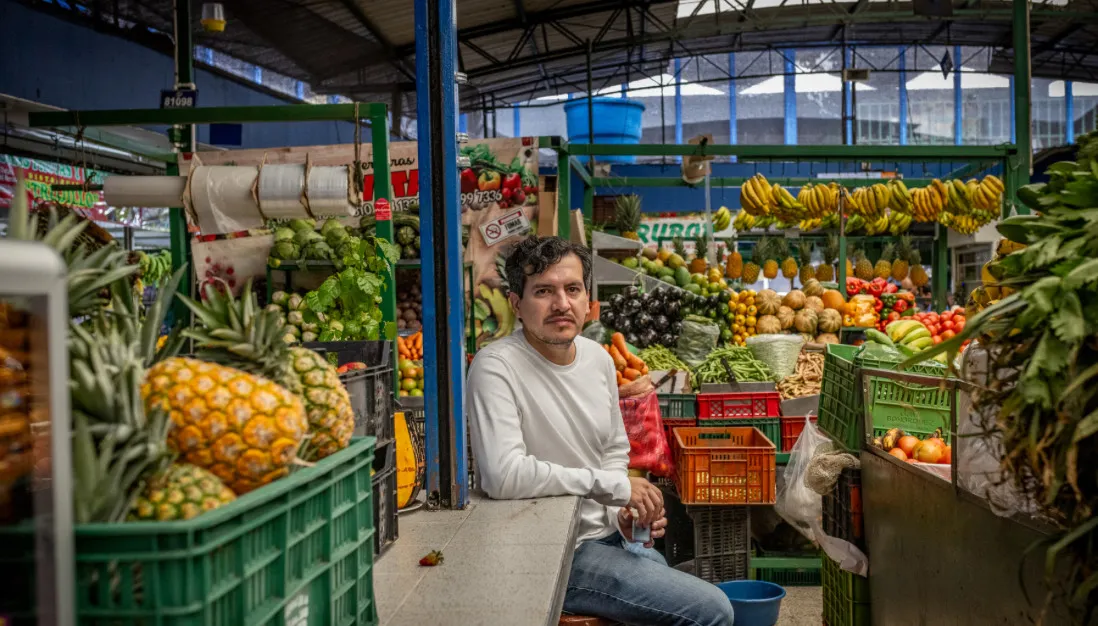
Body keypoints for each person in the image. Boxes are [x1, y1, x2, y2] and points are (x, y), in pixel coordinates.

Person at [467, 236, 735, 626]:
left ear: (586, 299)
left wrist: (621, 513)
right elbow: (503, 475)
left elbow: (613, 449)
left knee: (670, 572)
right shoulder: (496, 367)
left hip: (608, 539)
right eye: (543, 291)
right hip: (549, 553)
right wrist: (616, 488)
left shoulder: (597, 359)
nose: (562, 303)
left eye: (572, 289)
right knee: (713, 610)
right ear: (515, 304)